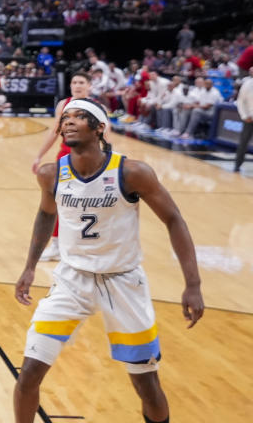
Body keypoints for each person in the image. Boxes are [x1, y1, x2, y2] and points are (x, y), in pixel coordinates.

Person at [12, 98, 203, 423]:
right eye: (65, 118)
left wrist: (193, 284)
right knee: (29, 372)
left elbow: (174, 219)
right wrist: (30, 266)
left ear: (100, 128)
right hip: (71, 280)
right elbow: (46, 215)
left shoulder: (132, 172)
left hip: (123, 281)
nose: (68, 122)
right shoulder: (50, 174)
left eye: (79, 117)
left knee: (146, 383)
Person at [31, 72, 110, 262]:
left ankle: (90, 244)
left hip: (90, 159)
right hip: (65, 157)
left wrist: (110, 157)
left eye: (81, 82)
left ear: (89, 86)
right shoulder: (63, 104)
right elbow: (54, 131)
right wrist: (39, 156)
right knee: (59, 200)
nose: (77, 85)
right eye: (74, 82)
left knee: (90, 202)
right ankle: (57, 245)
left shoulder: (97, 107)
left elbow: (106, 135)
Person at [234, 65, 253, 172]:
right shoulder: (247, 84)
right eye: (250, 71)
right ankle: (237, 164)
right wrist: (244, 116)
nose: (251, 72)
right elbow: (240, 101)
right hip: (249, 118)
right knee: (243, 142)